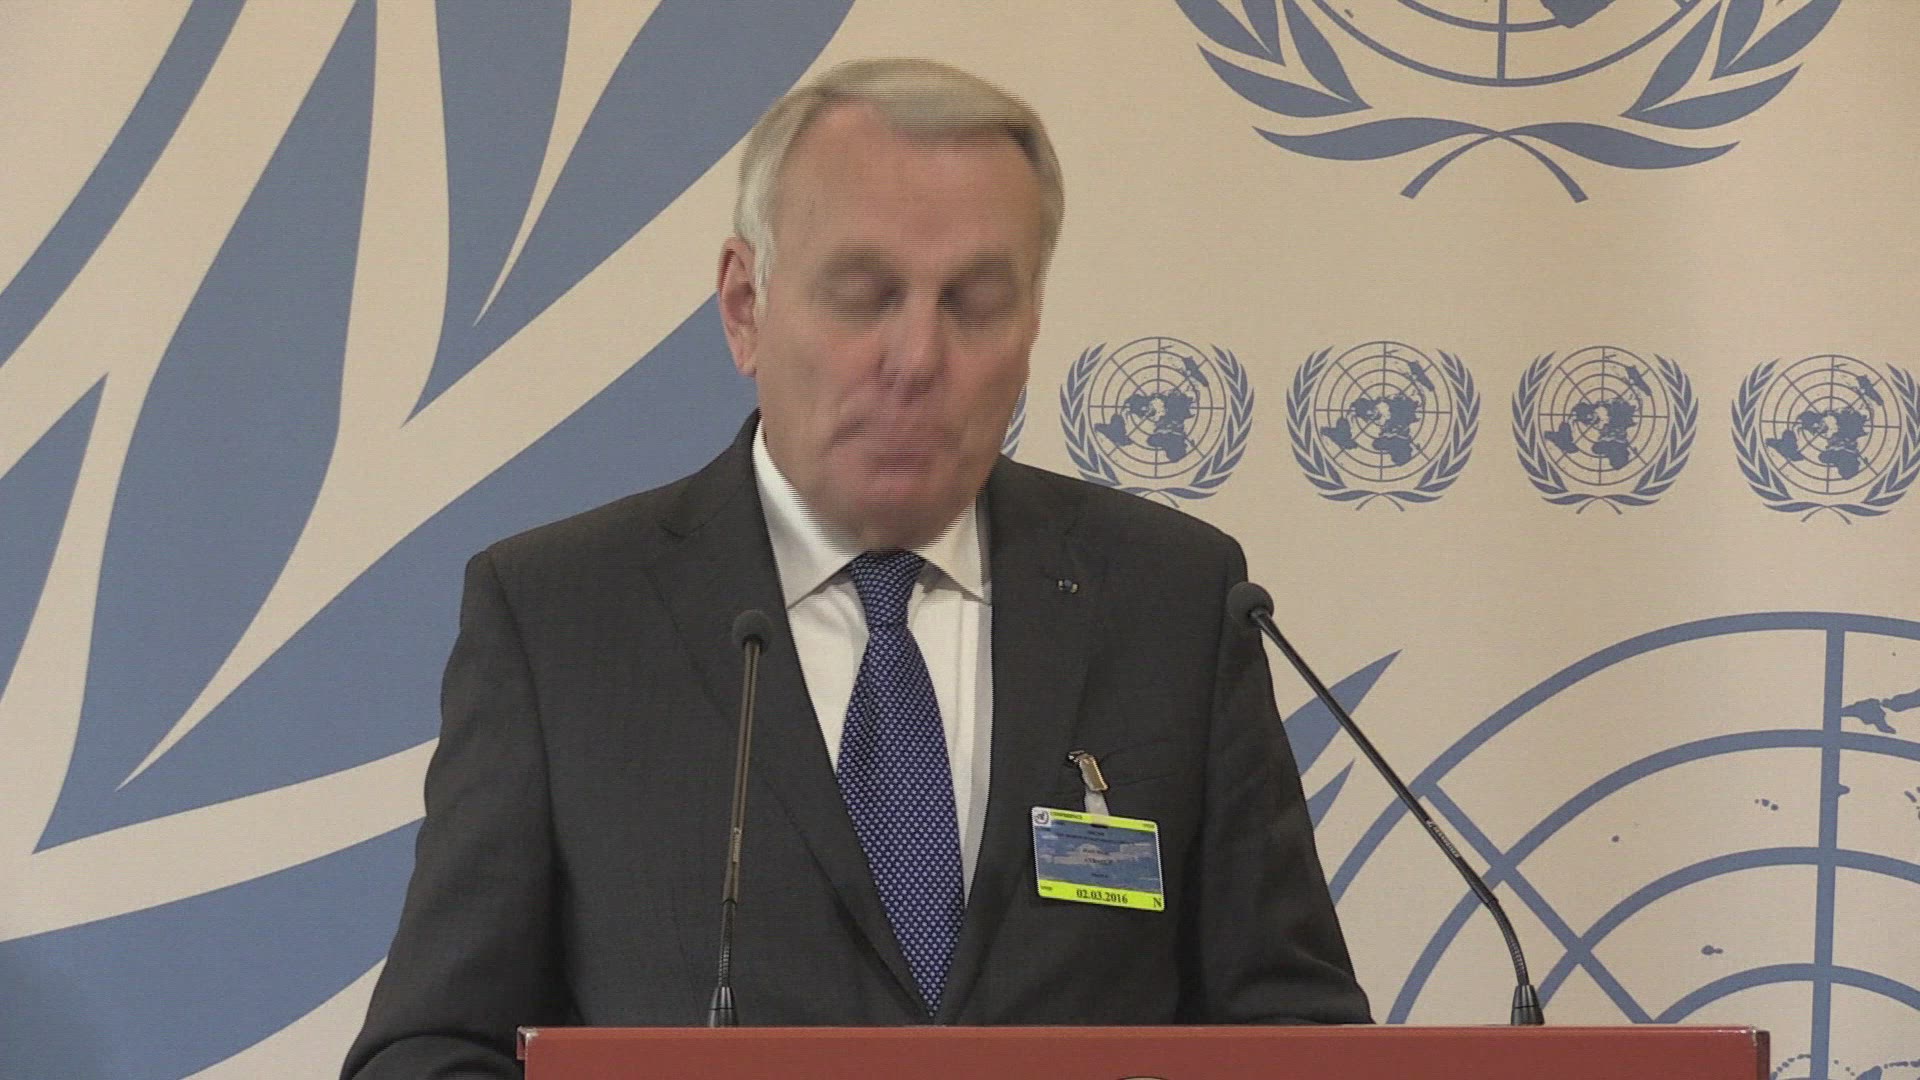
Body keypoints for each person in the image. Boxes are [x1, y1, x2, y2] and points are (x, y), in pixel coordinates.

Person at [342, 58, 1369, 1078]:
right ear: (745, 305)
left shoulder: (1170, 601)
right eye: (863, 295)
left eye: (974, 302)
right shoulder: (562, 618)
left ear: (1032, 325)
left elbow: (1298, 1030)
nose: (916, 358)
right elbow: (427, 1051)